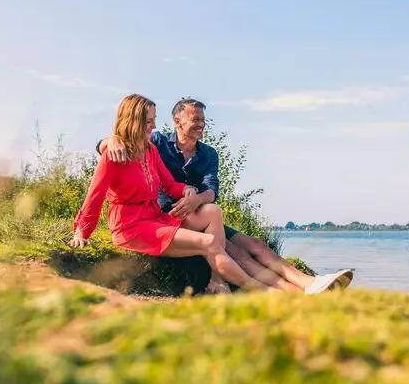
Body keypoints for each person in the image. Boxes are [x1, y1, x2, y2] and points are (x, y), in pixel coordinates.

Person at [97, 97, 353, 294]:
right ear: (177, 121)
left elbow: (212, 189)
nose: (200, 125)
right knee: (233, 251)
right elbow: (123, 138)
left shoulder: (209, 154)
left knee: (256, 245)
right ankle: (291, 292)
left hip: (200, 213)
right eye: (195, 119)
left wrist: (197, 199)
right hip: (169, 217)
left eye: (202, 120)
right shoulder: (157, 142)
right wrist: (108, 141)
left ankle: (310, 283)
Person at [70, 93, 279, 293]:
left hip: (154, 218)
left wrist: (187, 189)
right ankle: (261, 290)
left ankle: (218, 281)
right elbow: (94, 196)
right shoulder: (113, 155)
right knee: (208, 243)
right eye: (149, 121)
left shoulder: (150, 149)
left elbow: (169, 184)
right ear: (132, 121)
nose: (154, 126)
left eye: (154, 120)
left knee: (213, 211)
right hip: (130, 226)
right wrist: (82, 232)